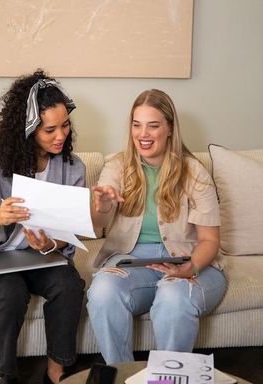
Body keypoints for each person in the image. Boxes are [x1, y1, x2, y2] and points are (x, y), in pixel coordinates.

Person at [0, 69, 86, 384]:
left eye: (65, 125)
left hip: (35, 258)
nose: (60, 136)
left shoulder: (72, 167)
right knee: (10, 293)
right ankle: (4, 376)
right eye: (50, 129)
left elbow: (68, 237)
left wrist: (50, 244)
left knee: (69, 284)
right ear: (28, 129)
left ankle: (57, 370)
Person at [87, 89, 227, 365]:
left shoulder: (194, 171)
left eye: (153, 125)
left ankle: (169, 378)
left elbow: (209, 240)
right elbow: (98, 224)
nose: (143, 134)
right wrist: (102, 204)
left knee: (174, 295)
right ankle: (120, 374)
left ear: (170, 129)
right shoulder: (117, 167)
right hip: (133, 264)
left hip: (191, 260)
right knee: (102, 290)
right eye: (137, 125)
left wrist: (191, 268)